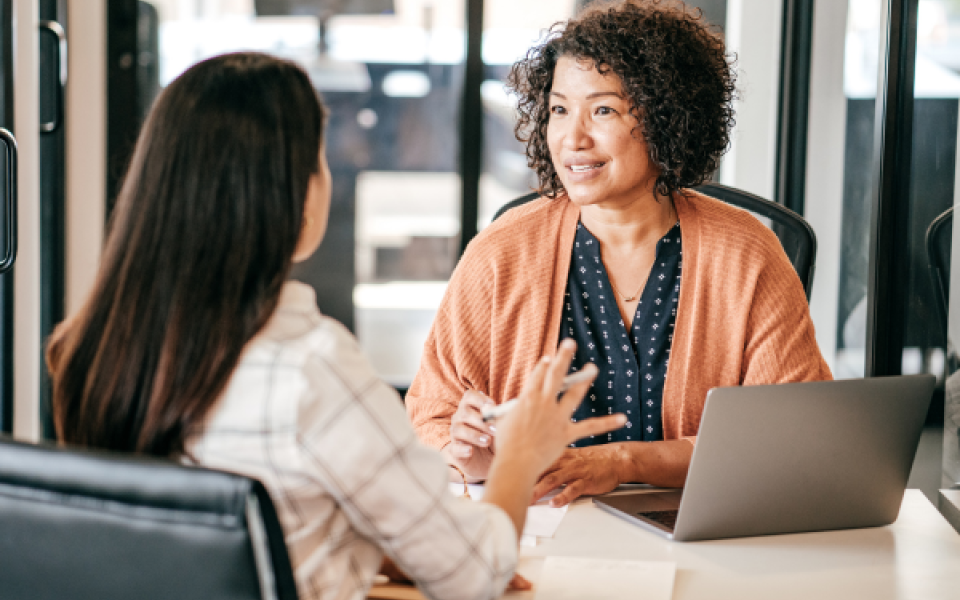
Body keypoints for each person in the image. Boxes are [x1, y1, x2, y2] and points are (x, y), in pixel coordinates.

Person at [46, 53, 624, 600]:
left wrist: (374, 548)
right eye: (321, 159)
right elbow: (473, 575)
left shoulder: (91, 349)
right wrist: (520, 456)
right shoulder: (311, 368)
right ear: (293, 197)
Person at [405, 0, 832, 508]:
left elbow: (788, 435)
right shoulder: (501, 252)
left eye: (602, 109)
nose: (573, 138)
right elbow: (431, 415)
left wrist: (626, 462)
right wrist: (470, 456)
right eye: (560, 110)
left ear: (666, 116)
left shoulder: (746, 253)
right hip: (538, 527)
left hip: (698, 531)